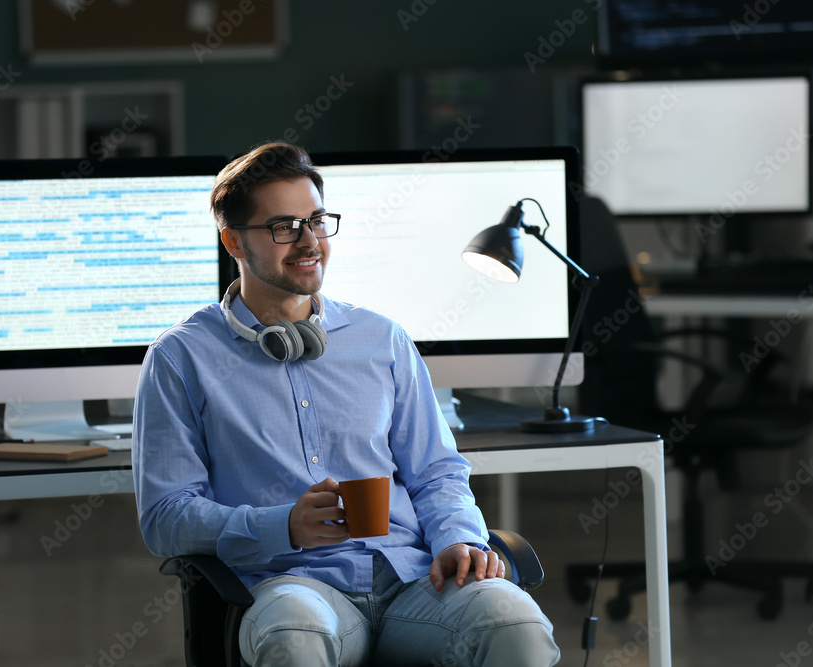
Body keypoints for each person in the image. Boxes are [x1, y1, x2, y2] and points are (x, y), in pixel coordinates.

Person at [132, 142, 560, 667]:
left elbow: (436, 471)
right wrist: (281, 525)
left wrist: (457, 537)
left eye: (316, 220)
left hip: (413, 577)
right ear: (234, 242)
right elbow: (166, 517)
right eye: (283, 226)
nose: (309, 241)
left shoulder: (381, 339)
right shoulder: (181, 357)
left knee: (516, 623)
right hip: (291, 583)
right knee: (295, 636)